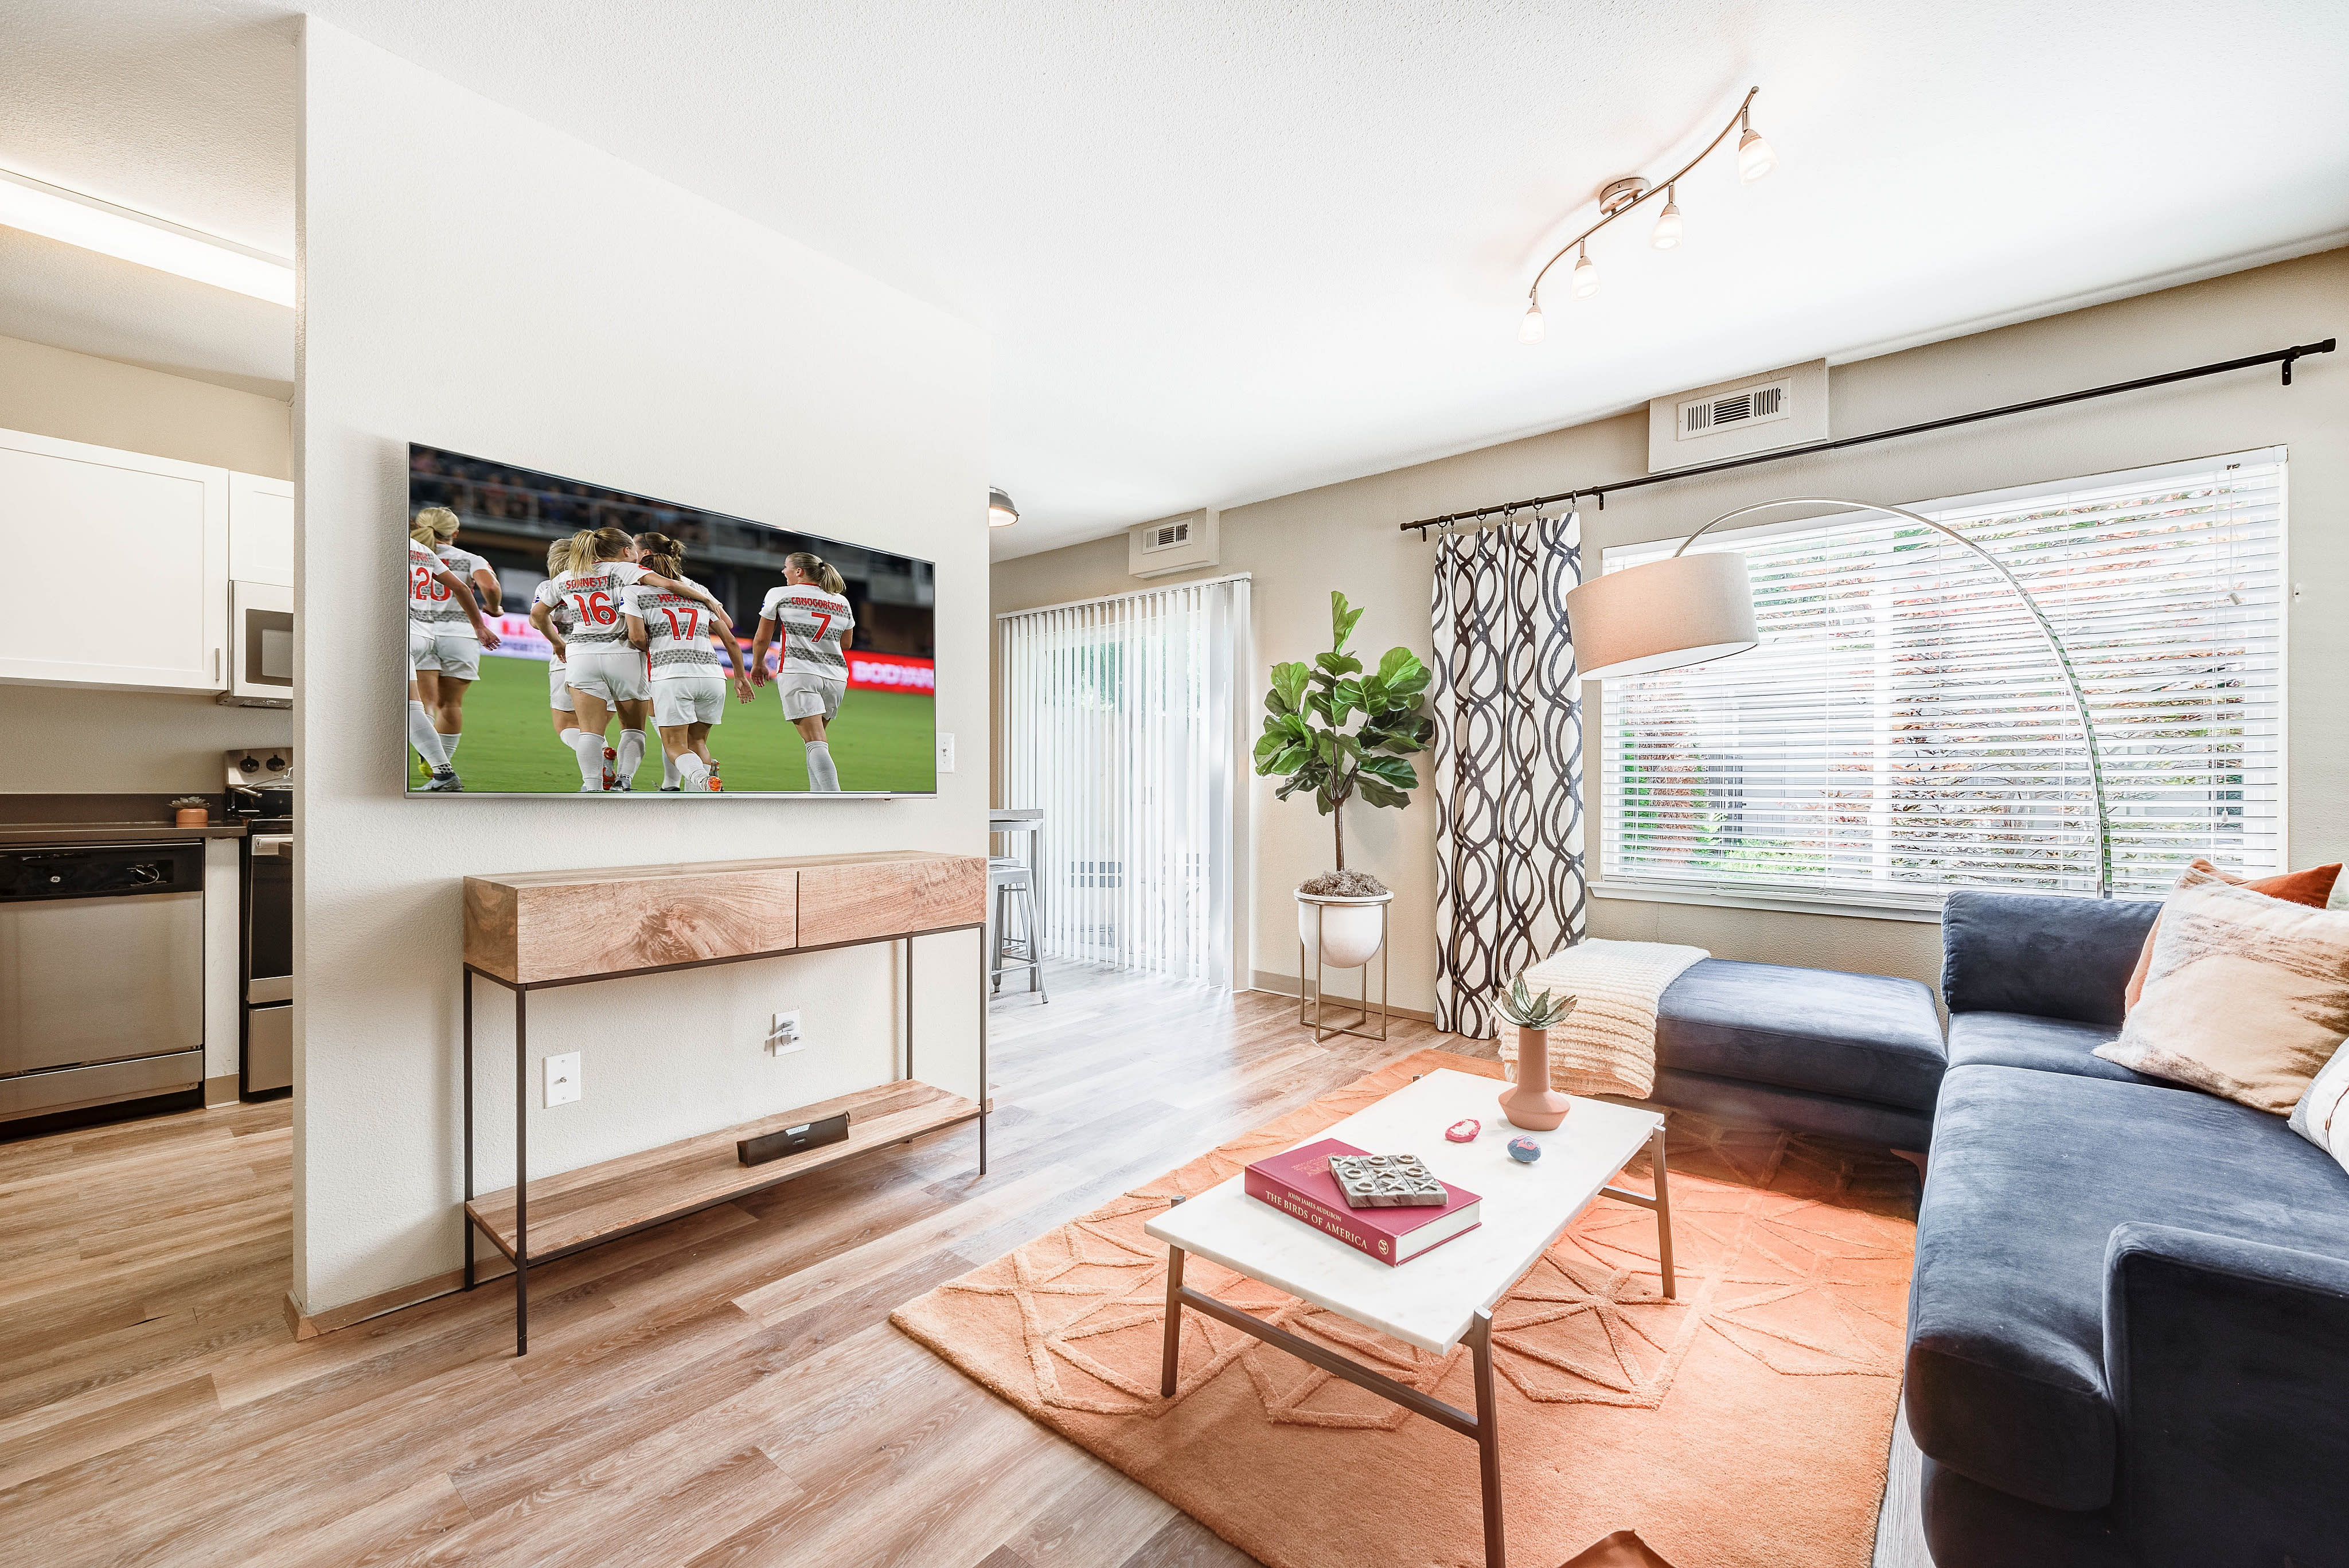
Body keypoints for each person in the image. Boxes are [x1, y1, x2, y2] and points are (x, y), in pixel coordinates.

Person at [549, 526, 724, 791]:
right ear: (626, 551)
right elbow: (673, 587)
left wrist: (557, 643)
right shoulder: (632, 573)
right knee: (646, 728)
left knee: (590, 731)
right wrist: (708, 601)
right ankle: (636, 781)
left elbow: (538, 615)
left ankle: (592, 787)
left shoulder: (568, 577)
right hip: (633, 657)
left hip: (584, 656)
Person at [623, 534, 753, 793]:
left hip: (671, 674)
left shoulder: (635, 590)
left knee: (674, 744)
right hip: (713, 676)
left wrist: (657, 644)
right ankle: (694, 795)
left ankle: (702, 781)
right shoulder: (698, 591)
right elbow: (730, 636)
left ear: (645, 558)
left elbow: (636, 637)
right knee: (697, 743)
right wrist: (740, 677)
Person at [750, 551, 856, 792]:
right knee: (816, 741)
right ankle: (818, 799)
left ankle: (834, 800)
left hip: (799, 672)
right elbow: (846, 643)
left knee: (815, 742)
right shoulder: (841, 601)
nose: (783, 571)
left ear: (799, 571)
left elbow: (762, 638)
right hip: (836, 677)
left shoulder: (780, 593)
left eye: (786, 567)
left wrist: (758, 663)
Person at [404, 528, 501, 790]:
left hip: (400, 633)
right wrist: (480, 626)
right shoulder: (423, 551)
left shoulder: (387, 546)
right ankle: (440, 769)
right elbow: (461, 587)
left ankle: (442, 771)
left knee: (415, 707)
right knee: (433, 705)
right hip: (425, 635)